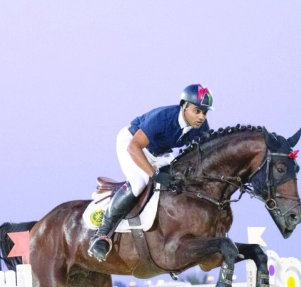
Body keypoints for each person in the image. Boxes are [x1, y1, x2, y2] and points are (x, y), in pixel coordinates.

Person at [87, 84, 213, 261]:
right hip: (132, 144)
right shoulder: (163, 118)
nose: (201, 117)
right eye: (197, 111)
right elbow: (134, 147)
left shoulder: (201, 126)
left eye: (205, 112)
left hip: (160, 153)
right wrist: (154, 174)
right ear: (184, 106)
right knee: (139, 183)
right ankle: (101, 235)